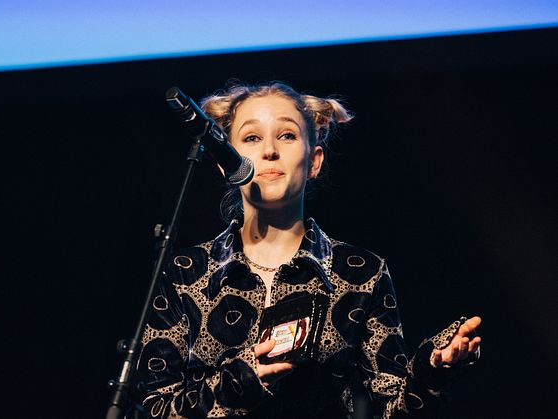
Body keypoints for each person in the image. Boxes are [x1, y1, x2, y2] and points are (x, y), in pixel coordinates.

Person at [133, 81, 482, 418]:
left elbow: (387, 408)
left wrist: (432, 369)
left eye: (286, 135)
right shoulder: (182, 272)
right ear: (225, 162)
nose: (269, 151)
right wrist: (241, 382)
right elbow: (154, 406)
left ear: (314, 161)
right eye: (251, 138)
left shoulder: (359, 273)